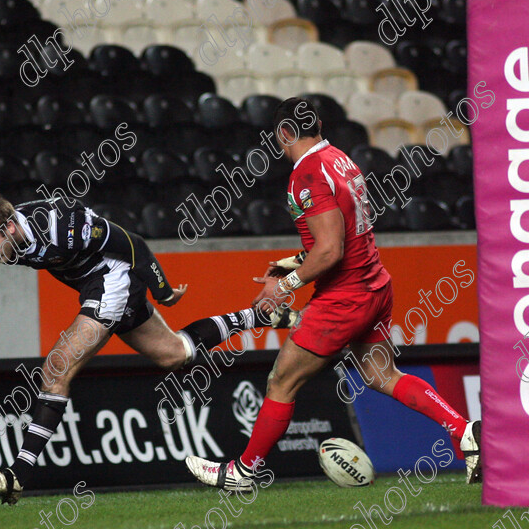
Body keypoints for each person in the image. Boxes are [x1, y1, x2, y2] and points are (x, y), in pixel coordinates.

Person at [185, 97, 481, 492]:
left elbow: (330, 250)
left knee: (281, 381)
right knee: (383, 375)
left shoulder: (306, 172)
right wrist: (291, 263)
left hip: (344, 297)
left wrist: (283, 288)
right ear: (319, 125)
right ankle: (465, 432)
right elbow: (343, 237)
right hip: (374, 284)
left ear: (284, 133)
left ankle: (244, 471)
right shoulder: (341, 158)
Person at [0, 193, 296, 504]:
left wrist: (162, 290)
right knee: (175, 354)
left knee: (56, 369)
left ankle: (16, 474)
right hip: (97, 285)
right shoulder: (11, 241)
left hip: (112, 280)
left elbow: (131, 243)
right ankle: (260, 315)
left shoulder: (60, 226)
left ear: (8, 226)